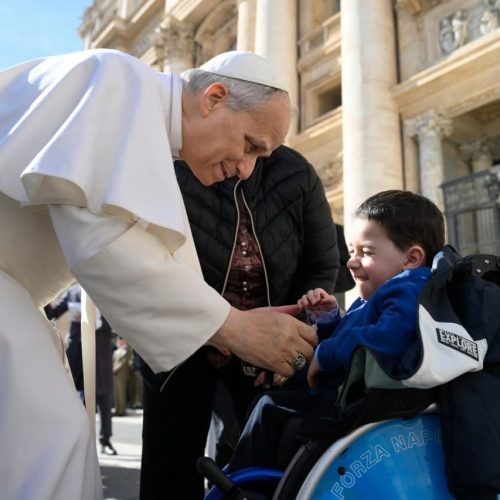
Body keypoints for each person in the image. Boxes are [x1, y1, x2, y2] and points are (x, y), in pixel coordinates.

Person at [0, 49, 317, 500]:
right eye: (250, 145)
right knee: (51, 440)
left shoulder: (151, 130)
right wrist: (235, 327)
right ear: (213, 98)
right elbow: (103, 240)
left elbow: (155, 254)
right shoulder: (117, 80)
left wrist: (238, 324)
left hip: (12, 296)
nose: (247, 169)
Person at [139, 145, 340, 499]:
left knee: (251, 463)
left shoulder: (296, 173)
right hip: (181, 344)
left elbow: (320, 266)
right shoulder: (173, 161)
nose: (245, 168)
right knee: (169, 464)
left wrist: (293, 339)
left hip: (265, 353)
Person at [225, 190, 445, 472]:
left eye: (366, 252)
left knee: (269, 407)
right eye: (352, 251)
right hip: (346, 405)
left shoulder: (409, 290)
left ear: (411, 258)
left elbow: (384, 341)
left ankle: (241, 481)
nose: (351, 261)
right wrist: (329, 320)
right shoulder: (380, 296)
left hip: (352, 411)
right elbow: (353, 341)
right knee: (269, 405)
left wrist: (326, 354)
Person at [45, 284, 117, 455]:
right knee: (76, 396)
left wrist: (97, 320)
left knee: (104, 398)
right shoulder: (73, 292)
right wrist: (45, 299)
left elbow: (117, 320)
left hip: (100, 353)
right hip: (77, 353)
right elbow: (53, 314)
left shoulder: (106, 290)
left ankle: (105, 440)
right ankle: (79, 441)